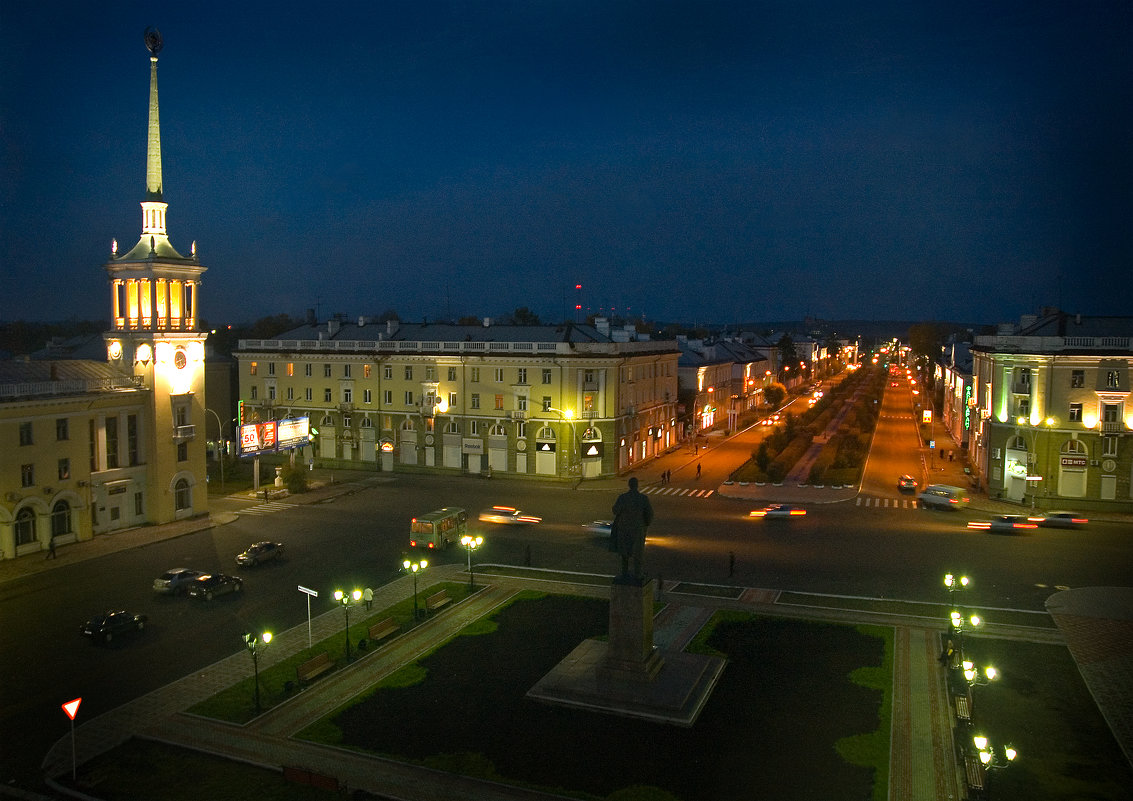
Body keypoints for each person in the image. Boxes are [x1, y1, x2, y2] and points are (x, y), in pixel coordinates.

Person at [609, 477, 654, 581]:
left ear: (629, 485)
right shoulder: (643, 498)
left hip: (624, 530)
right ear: (637, 485)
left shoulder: (623, 497)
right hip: (638, 530)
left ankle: (624, 573)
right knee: (638, 554)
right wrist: (645, 525)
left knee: (624, 554)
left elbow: (615, 511)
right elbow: (650, 514)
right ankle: (638, 574)